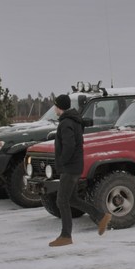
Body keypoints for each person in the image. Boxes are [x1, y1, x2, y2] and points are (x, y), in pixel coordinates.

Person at [49, 94, 87, 247]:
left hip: (70, 168)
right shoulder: (74, 120)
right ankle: (101, 215)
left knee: (62, 201)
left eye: (55, 106)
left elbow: (69, 145)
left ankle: (66, 236)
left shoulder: (65, 123)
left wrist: (63, 161)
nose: (54, 108)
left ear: (59, 107)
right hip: (75, 166)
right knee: (73, 199)